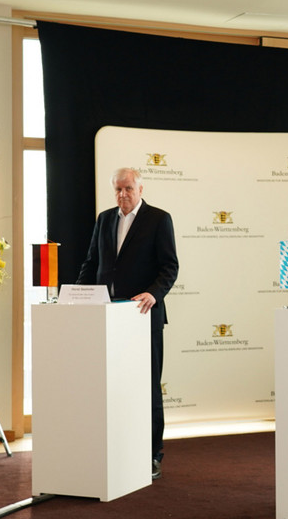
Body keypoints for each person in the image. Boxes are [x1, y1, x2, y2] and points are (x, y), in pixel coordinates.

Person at [77, 167, 179, 480]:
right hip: (108, 320)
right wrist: (77, 295)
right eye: (118, 189)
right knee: (111, 388)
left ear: (140, 188)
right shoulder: (105, 219)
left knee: (148, 389)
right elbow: (93, 263)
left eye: (128, 188)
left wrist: (153, 293)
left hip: (142, 318)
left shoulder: (159, 219)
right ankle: (116, 449)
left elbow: (170, 267)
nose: (123, 195)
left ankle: (152, 455)